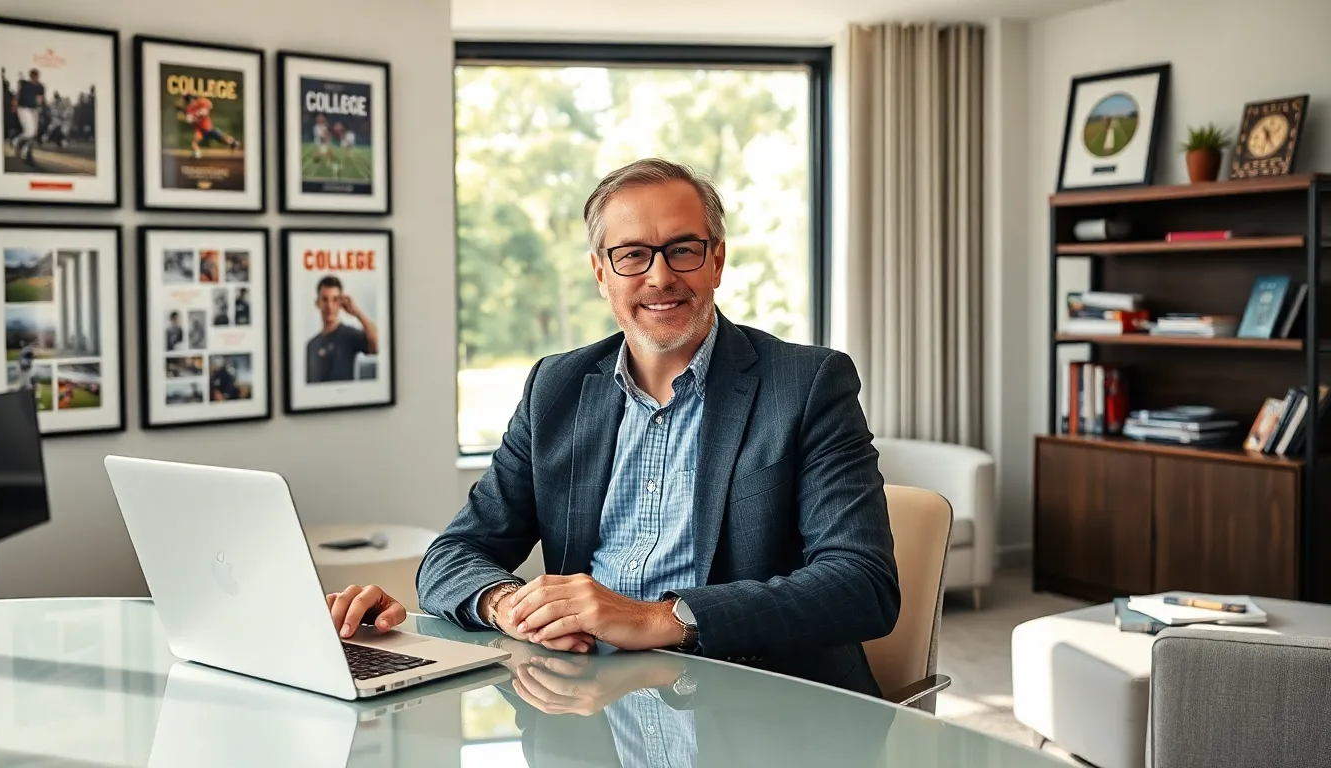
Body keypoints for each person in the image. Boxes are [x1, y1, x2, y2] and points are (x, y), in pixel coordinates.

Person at [325, 158, 899, 697]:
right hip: (585, 706)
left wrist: (657, 618)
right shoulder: (558, 387)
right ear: (601, 272)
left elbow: (861, 584)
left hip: (760, 708)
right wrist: (511, 605)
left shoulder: (806, 383)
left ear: (717, 262)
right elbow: (457, 551)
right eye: (632, 255)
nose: (659, 277)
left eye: (683, 250)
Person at [304, 276, 378, 383]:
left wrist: (356, 312)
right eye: (325, 299)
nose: (330, 306)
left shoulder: (349, 335)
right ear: (317, 303)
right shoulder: (311, 345)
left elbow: (377, 345)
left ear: (341, 303)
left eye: (335, 300)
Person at [179, 93, 240, 160]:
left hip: (208, 127)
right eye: (189, 101)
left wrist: (200, 112)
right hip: (199, 130)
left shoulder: (201, 101)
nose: (191, 102)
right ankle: (197, 153)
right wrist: (190, 116)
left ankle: (233, 142)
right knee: (194, 142)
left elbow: (209, 105)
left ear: (194, 99)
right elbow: (189, 119)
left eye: (191, 100)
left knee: (222, 139)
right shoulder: (189, 109)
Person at [10, 69, 45, 166]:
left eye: (37, 75)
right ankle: (16, 141)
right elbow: (17, 95)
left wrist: (39, 109)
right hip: (23, 109)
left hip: (34, 110)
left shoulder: (40, 87)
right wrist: (14, 105)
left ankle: (25, 153)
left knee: (33, 133)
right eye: (33, 76)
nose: (35, 77)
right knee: (29, 132)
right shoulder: (25, 84)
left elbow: (39, 99)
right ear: (31, 76)